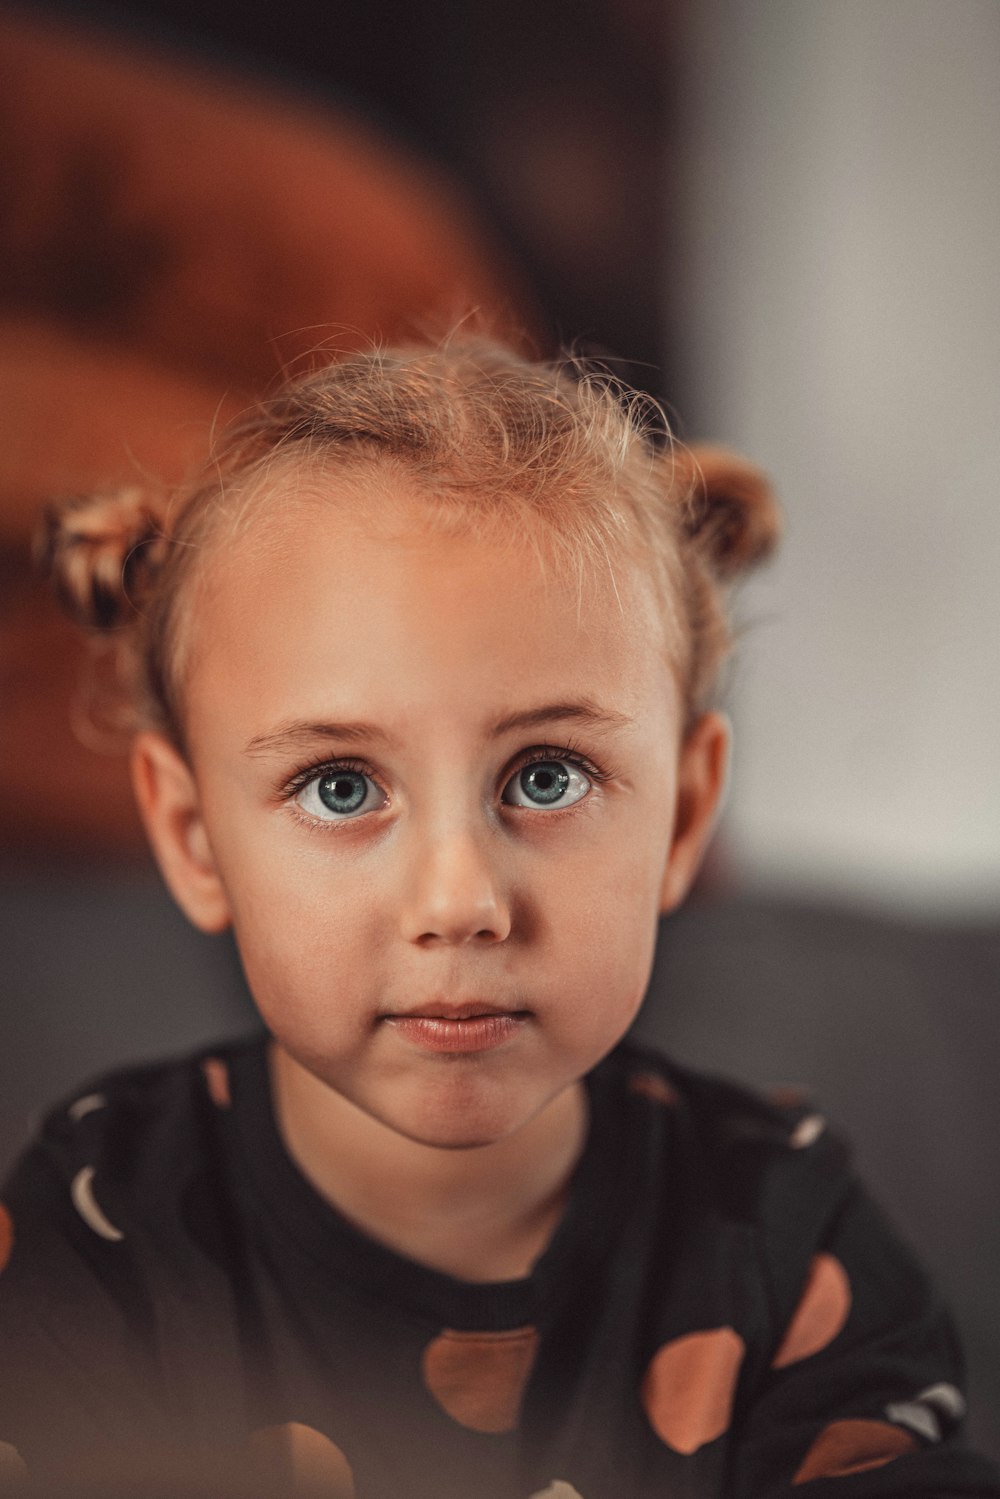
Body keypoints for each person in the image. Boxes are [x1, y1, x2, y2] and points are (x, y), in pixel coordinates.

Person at [1, 339, 996, 1499]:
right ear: (191, 837)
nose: (461, 902)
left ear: (681, 817)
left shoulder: (782, 1230)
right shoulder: (104, 1219)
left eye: (545, 776)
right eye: (340, 786)